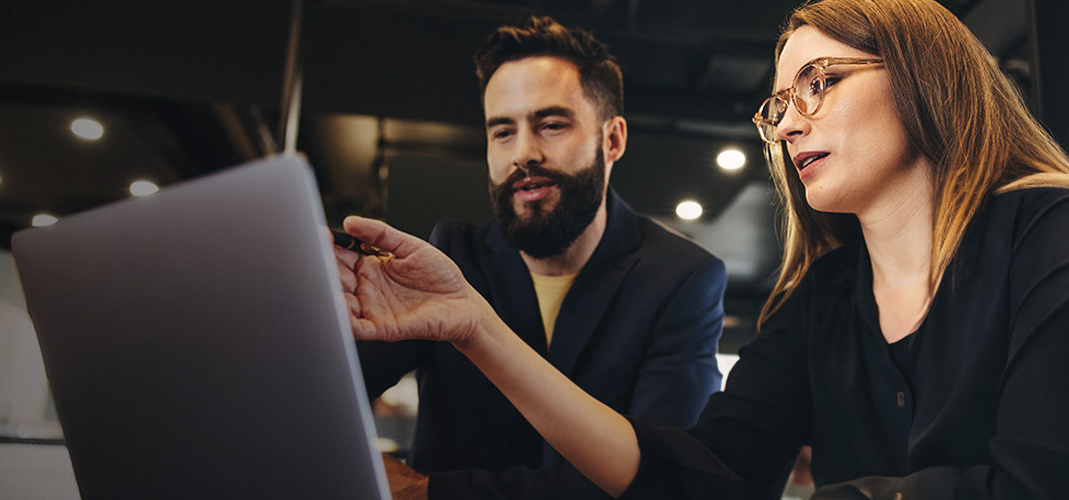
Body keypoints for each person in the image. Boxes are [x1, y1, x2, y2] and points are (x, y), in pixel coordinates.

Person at [336, 0, 1069, 498]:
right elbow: (704, 475)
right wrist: (474, 324)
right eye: (779, 105)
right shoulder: (822, 300)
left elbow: (1035, 482)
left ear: (925, 77)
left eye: (818, 83)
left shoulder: (1047, 234)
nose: (788, 127)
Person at [355, 15, 726, 499]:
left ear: (611, 140)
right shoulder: (452, 258)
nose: (522, 153)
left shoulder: (681, 278)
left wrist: (425, 492)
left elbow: (661, 480)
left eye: (551, 125)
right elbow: (313, 404)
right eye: (502, 132)